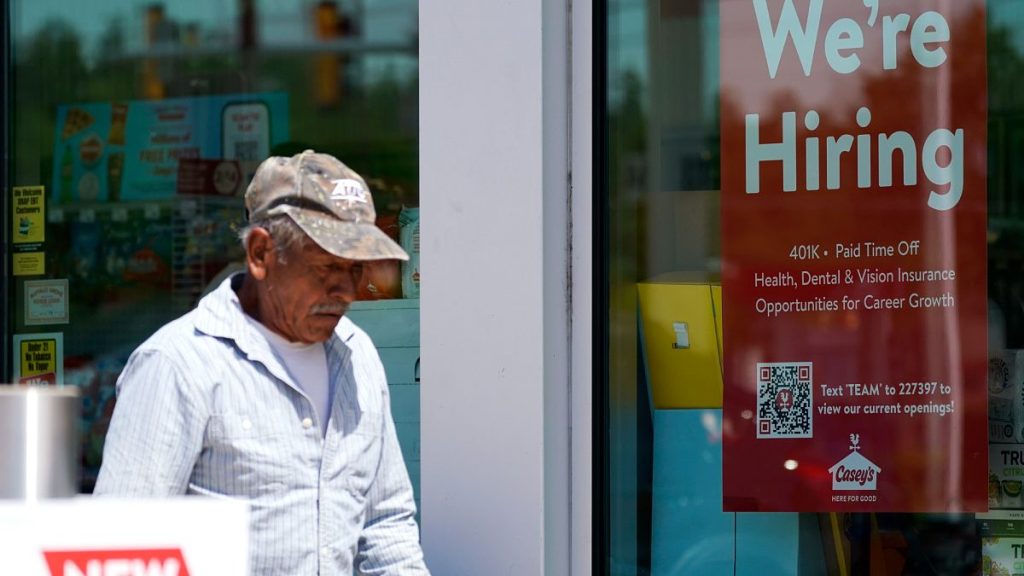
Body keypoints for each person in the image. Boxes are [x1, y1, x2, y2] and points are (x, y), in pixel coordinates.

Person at [94, 150, 430, 575]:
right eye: (326, 267)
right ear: (260, 254)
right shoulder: (178, 366)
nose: (346, 289)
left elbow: (385, 527)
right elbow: (122, 548)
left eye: (355, 268)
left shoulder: (356, 354)